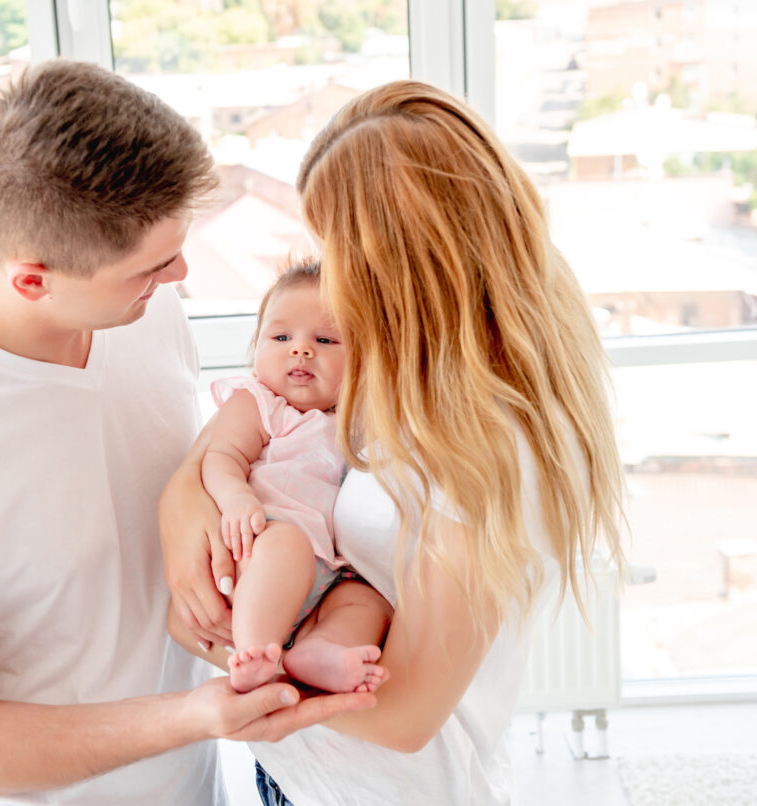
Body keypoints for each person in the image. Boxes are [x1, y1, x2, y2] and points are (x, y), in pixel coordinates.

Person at [0, 59, 375, 806]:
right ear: (32, 278)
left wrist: (193, 504)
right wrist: (190, 716)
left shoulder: (141, 317)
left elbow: (190, 467)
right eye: (150, 265)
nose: (179, 273)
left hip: (198, 786)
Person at [161, 80, 627, 805]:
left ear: (405, 259)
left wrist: (231, 647)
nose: (330, 273)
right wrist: (183, 504)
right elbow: (251, 430)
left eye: (340, 246)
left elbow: (406, 714)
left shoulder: (488, 444)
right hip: (307, 768)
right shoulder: (403, 375)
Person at [200, 259, 393, 694]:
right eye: (281, 337)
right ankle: (254, 653)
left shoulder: (354, 419)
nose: (301, 350)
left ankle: (319, 651)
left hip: (325, 569)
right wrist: (235, 499)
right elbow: (222, 457)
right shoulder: (259, 404)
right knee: (287, 543)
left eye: (325, 340)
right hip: (262, 548)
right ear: (257, 344)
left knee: (369, 601)